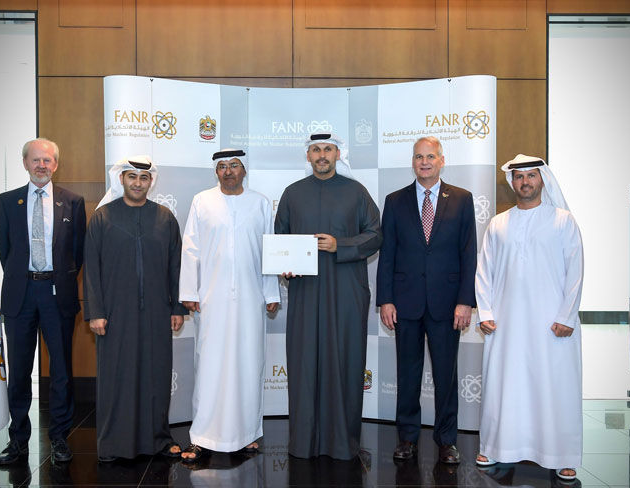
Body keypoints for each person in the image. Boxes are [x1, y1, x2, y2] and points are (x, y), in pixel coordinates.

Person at [474, 154, 584, 481]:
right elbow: (484, 271)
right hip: (506, 324)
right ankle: (496, 447)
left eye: (531, 176)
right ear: (512, 182)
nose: (525, 182)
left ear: (542, 179)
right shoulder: (498, 224)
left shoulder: (563, 220)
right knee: (504, 385)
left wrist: (567, 315)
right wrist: (486, 311)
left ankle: (562, 455)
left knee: (555, 387)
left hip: (552, 325)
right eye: (519, 177)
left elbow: (575, 271)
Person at [274, 132, 382, 460]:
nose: (322, 155)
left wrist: (340, 245)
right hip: (306, 293)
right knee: (304, 363)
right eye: (316, 150)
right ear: (308, 156)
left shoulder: (356, 192)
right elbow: (280, 238)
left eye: (328, 149)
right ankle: (304, 442)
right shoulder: (293, 193)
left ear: (337, 154)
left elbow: (375, 235)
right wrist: (284, 266)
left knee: (345, 361)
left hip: (346, 291)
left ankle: (342, 443)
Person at [376, 136, 477, 464]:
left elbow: (468, 253)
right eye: (419, 157)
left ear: (441, 160)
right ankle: (407, 438)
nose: (424, 162)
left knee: (446, 375)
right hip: (405, 303)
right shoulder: (395, 201)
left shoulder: (462, 199)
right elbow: (387, 254)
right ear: (413, 162)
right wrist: (386, 299)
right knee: (407, 374)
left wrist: (465, 301)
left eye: (430, 156)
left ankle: (447, 441)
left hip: (447, 304)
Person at [179, 149, 280, 462]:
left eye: (234, 166)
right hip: (211, 300)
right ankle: (202, 437)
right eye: (222, 166)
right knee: (209, 366)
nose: (228, 171)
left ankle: (247, 434)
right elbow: (191, 249)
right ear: (216, 172)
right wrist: (189, 290)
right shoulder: (202, 201)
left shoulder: (260, 203)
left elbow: (270, 251)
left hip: (251, 299)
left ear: (244, 170)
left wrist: (271, 293)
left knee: (249, 364)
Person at [83, 156, 186, 462]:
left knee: (156, 375)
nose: (138, 183)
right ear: (122, 179)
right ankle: (113, 444)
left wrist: (177, 307)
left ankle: (158, 440)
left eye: (144, 178)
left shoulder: (165, 218)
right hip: (115, 313)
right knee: (117, 377)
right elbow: (91, 269)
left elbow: (176, 267)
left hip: (157, 310)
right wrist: (96, 312)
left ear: (150, 182)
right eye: (132, 177)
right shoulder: (102, 217)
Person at [0, 138, 86, 465]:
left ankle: (59, 438)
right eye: (36, 160)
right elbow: (5, 248)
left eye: (47, 160)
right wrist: (25, 277)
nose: (42, 165)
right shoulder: (8, 201)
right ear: (25, 163)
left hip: (56, 295)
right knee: (19, 371)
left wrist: (55, 277)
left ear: (56, 165)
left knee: (61, 371)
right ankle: (18, 440)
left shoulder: (72, 202)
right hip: (20, 296)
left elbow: (77, 252)